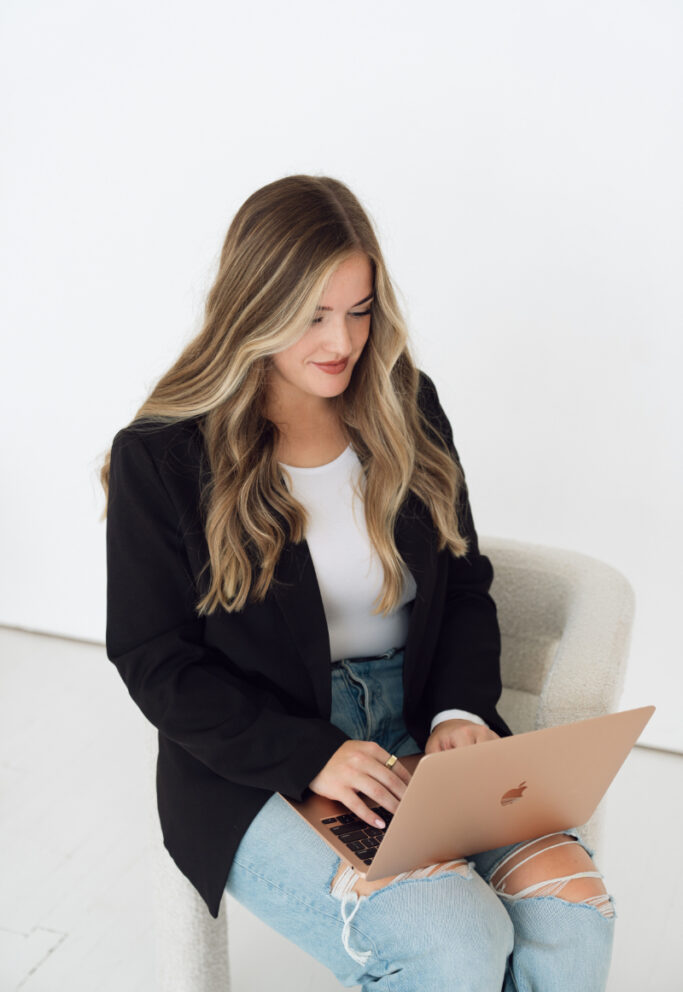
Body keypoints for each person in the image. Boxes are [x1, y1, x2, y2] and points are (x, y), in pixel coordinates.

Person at [101, 174, 616, 991]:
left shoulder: (405, 406)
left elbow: (464, 581)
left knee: (572, 911)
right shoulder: (162, 456)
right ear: (254, 305)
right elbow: (152, 658)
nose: (341, 340)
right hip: (262, 758)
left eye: (359, 308)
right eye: (311, 315)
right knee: (452, 942)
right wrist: (316, 754)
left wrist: (456, 714)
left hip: (417, 733)